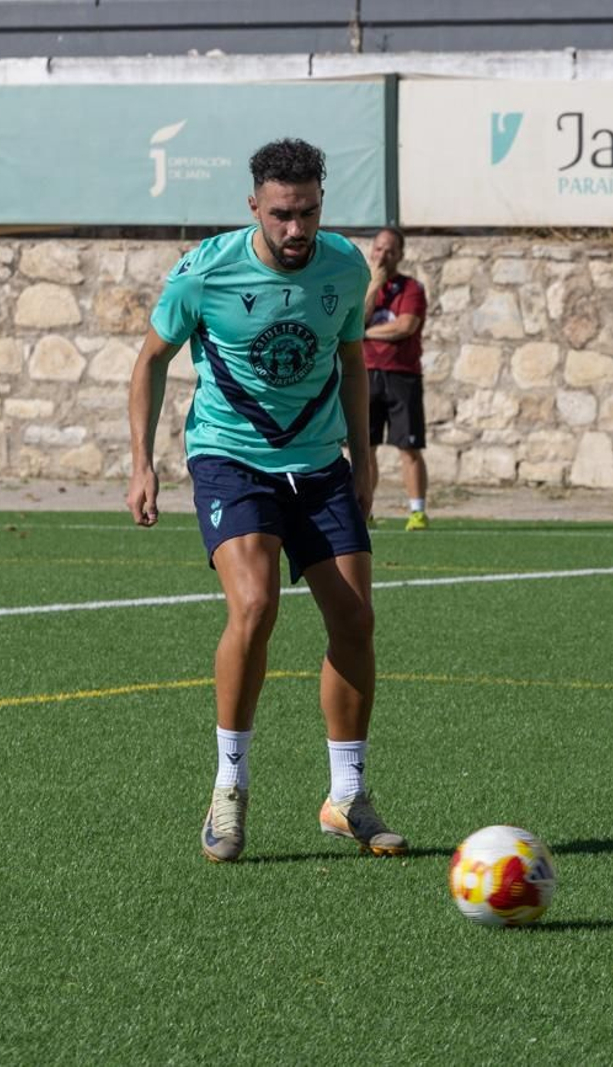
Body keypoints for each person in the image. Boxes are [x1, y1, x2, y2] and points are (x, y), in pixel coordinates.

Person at [126, 138, 406, 863]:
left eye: (308, 212)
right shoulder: (206, 272)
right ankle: (229, 789)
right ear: (255, 206)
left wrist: (364, 461)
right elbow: (150, 362)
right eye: (281, 214)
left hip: (317, 465)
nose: (296, 230)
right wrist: (142, 463)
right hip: (230, 458)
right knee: (255, 605)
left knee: (355, 618)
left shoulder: (347, 267)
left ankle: (345, 796)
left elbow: (350, 358)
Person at [362, 226, 430, 530]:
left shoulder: (411, 289)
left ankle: (417, 511)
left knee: (409, 446)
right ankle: (364, 509)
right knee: (363, 447)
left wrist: (364, 333)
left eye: (390, 250)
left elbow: (404, 327)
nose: (383, 255)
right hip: (363, 373)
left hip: (402, 375)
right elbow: (354, 319)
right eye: (378, 248)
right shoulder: (362, 286)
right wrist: (373, 287)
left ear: (400, 255)